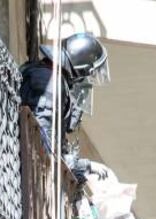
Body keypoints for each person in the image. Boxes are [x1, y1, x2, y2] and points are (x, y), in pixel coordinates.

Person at [20, 32, 110, 183]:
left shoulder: (47, 76)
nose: (85, 80)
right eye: (87, 74)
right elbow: (41, 143)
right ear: (81, 69)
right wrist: (83, 166)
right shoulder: (49, 83)